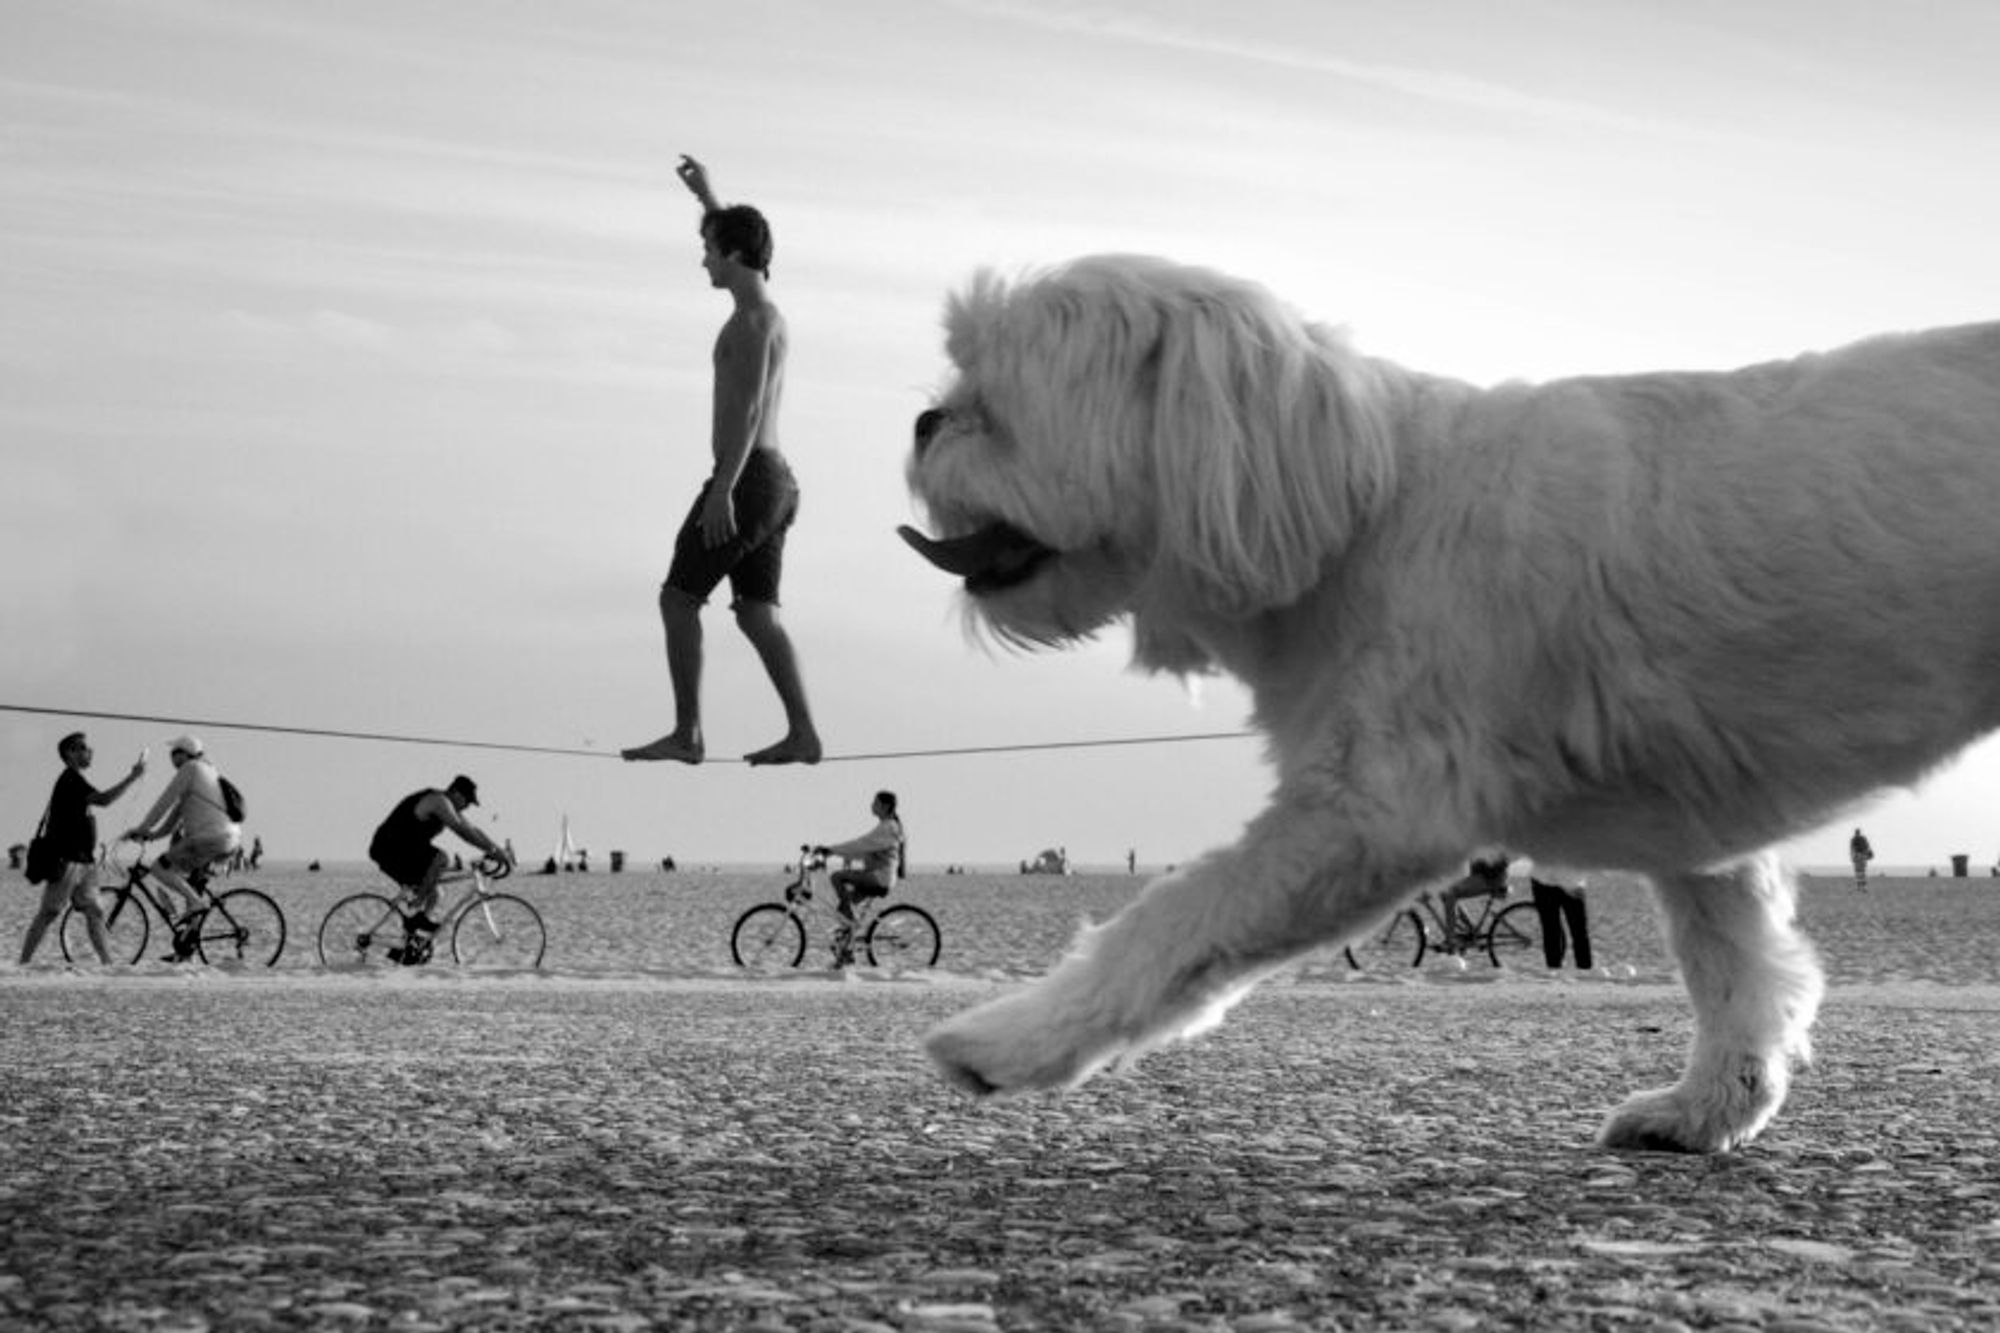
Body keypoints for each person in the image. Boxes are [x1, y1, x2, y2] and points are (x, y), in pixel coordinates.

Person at [624, 153, 821, 768]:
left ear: (733, 255)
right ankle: (804, 735)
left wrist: (722, 491)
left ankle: (688, 733)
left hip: (750, 478)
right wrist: (707, 198)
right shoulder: (763, 309)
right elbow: (738, 237)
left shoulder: (752, 324)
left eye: (709, 248)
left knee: (678, 601)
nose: (703, 258)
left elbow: (748, 408)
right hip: (777, 482)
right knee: (757, 614)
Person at [19, 732, 147, 964]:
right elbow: (104, 800)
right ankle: (24, 961)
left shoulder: (75, 779)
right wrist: (131, 778)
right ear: (71, 753)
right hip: (67, 859)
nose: (90, 752)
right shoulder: (70, 779)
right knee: (50, 912)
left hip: (84, 861)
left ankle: (107, 962)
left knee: (95, 912)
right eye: (84, 748)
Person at [122, 735, 240, 946]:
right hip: (228, 839)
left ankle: (196, 903)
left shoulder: (191, 768)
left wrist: (142, 828)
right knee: (192, 884)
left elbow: (163, 802)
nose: (172, 758)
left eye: (175, 753)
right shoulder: (207, 772)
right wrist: (150, 834)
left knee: (160, 868)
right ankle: (187, 946)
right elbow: (172, 821)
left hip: (209, 838)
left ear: (186, 753)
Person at [368, 775, 508, 938]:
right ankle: (414, 910)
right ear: (456, 793)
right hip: (388, 848)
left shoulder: (450, 807)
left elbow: (473, 830)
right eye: (467, 801)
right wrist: (492, 851)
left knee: (435, 894)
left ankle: (408, 941)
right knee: (441, 858)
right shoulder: (439, 801)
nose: (468, 806)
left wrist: (499, 851)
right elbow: (463, 832)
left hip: (403, 850)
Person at [816, 791, 905, 962]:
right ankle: (847, 952)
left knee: (837, 877)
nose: (871, 805)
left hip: (879, 878)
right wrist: (833, 852)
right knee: (844, 909)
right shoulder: (886, 826)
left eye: (875, 802)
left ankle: (849, 931)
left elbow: (861, 844)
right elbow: (864, 852)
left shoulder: (888, 827)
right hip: (876, 875)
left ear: (885, 806)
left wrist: (832, 850)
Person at [1435, 856, 1511, 952]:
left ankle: (1451, 939)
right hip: (1483, 876)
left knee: (1450, 894)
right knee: (1445, 893)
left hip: (1489, 878)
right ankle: (1472, 932)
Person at [1529, 874, 1594, 971]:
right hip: (1567, 883)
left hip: (1548, 882)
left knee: (1552, 932)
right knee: (1577, 932)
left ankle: (1554, 970)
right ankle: (1583, 970)